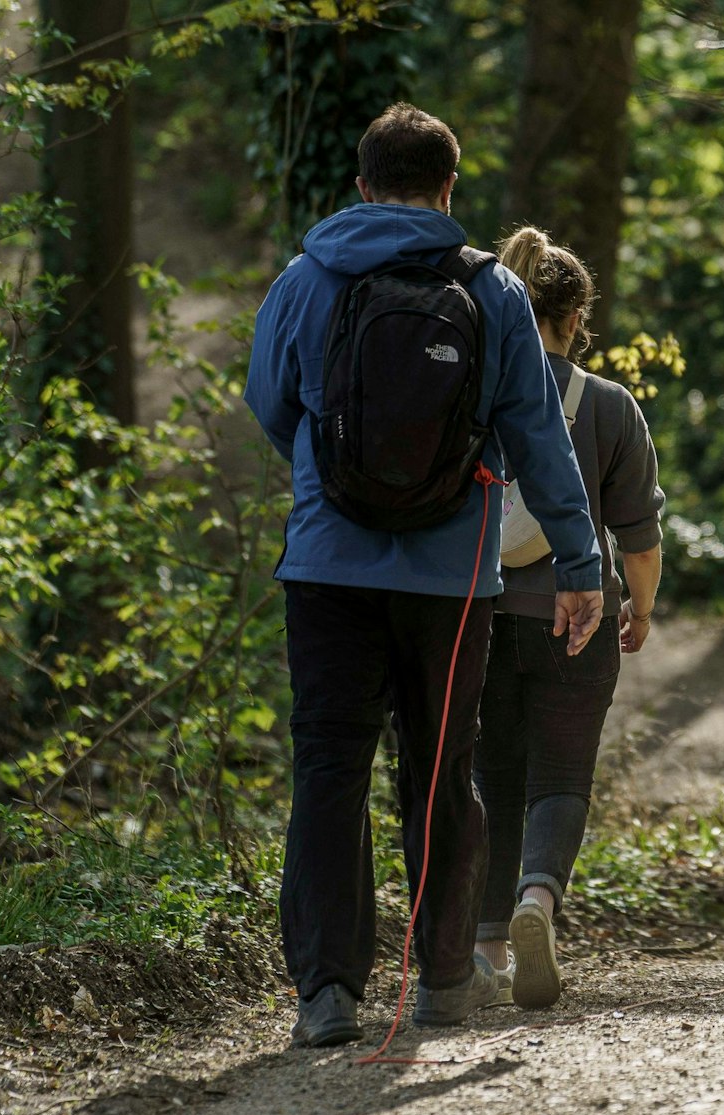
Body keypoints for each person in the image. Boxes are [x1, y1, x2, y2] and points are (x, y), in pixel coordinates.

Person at [245, 105, 606, 1049]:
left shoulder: (305, 278)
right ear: (449, 189)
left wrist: (332, 477)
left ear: (361, 186)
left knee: (329, 766)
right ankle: (444, 978)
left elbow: (269, 403)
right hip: (452, 579)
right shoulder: (493, 292)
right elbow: (539, 435)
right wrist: (580, 562)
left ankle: (328, 992)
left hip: (327, 568)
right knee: (441, 767)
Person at [472, 226, 665, 1009]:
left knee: (491, 776)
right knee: (560, 777)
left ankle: (485, 951)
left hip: (480, 614)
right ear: (576, 315)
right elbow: (639, 536)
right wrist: (640, 608)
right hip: (576, 617)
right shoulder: (610, 406)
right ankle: (537, 900)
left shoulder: (478, 393)